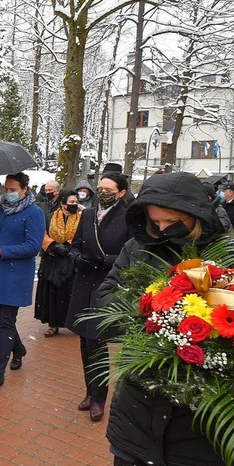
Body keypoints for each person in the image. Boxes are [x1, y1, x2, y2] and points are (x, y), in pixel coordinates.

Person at [95, 171, 229, 466]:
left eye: (173, 222)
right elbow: (105, 299)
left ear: (196, 216)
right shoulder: (137, 248)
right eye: (156, 222)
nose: (163, 229)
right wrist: (155, 307)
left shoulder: (226, 254)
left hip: (198, 410)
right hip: (138, 399)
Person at [64, 172, 131, 422]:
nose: (101, 191)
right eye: (99, 187)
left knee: (98, 342)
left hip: (107, 285)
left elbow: (132, 254)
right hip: (84, 282)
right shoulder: (89, 214)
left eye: (108, 188)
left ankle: (100, 397)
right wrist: (76, 257)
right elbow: (76, 244)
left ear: (121, 193)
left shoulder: (128, 217)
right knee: (84, 340)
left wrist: (105, 261)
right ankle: (89, 392)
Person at [0, 173, 45, 391]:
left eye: (12, 190)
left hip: (14, 275)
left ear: (24, 189)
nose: (8, 193)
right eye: (5, 189)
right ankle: (19, 348)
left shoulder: (34, 212)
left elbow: (33, 246)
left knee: (5, 320)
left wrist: (2, 251)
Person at [34, 190, 82, 338]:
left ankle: (73, 323)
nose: (74, 205)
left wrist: (70, 247)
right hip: (53, 257)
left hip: (71, 258)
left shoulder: (82, 219)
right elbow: (41, 234)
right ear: (62, 203)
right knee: (52, 292)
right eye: (71, 202)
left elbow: (83, 236)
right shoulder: (50, 217)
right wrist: (54, 246)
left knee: (70, 292)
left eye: (76, 202)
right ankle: (53, 324)